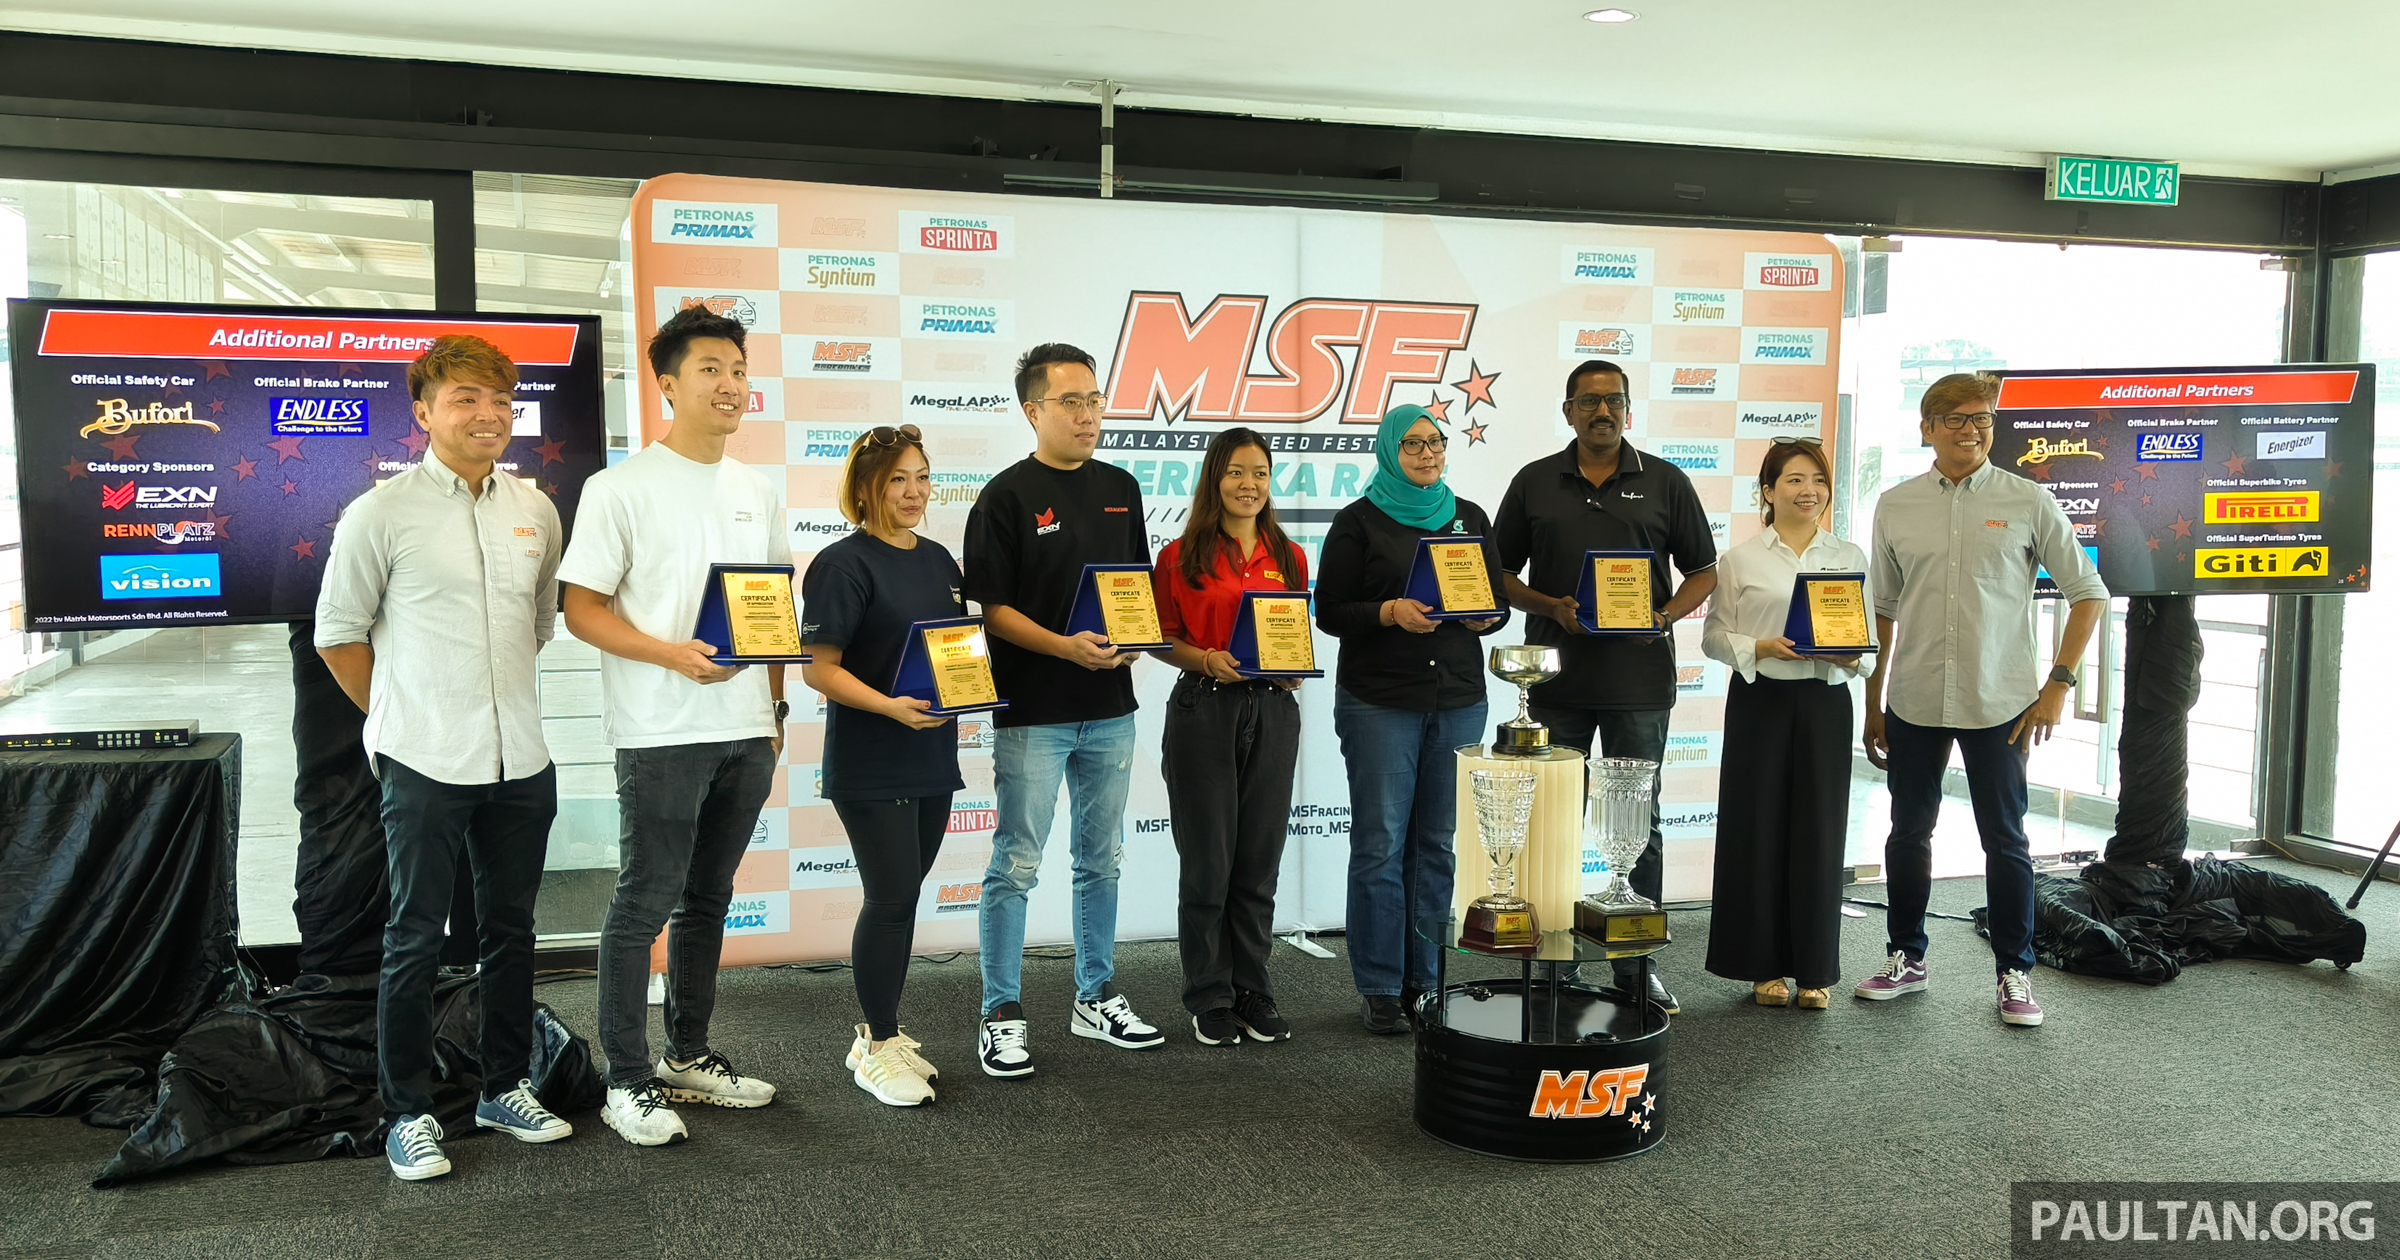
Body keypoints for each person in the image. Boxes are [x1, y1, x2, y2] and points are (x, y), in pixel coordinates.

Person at [315, 334, 573, 1181]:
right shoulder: (380, 513)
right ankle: (408, 1112)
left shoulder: (535, 510)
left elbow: (537, 624)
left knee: (511, 931)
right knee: (414, 937)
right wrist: (400, 715)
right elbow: (338, 635)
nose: (488, 414)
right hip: (423, 758)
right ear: (424, 412)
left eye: (501, 400)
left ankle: (504, 1086)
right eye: (466, 398)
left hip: (521, 757)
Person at [557, 306, 784, 1146]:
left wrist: (775, 711)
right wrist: (669, 656)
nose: (730, 385)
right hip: (659, 731)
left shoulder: (755, 490)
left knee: (708, 899)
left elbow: (769, 611)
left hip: (743, 728)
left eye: (738, 370)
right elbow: (581, 609)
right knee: (643, 902)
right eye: (710, 370)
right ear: (666, 384)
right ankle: (626, 1079)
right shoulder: (618, 488)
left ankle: (686, 1054)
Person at [1856, 372, 2107, 1027]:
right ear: (1927, 427)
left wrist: (2058, 685)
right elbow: (1882, 611)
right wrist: (1873, 702)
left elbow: (2089, 594)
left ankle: (2014, 973)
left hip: (2002, 701)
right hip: (1914, 697)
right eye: (1958, 418)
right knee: (1908, 833)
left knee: (2006, 839)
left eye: (1984, 418)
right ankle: (1906, 957)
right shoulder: (1896, 504)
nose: (1972, 430)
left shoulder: (2028, 500)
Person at [963, 342, 1166, 1077]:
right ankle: (1000, 1011)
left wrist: (1135, 638)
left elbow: (1134, 586)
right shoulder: (1005, 496)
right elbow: (990, 609)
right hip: (1034, 710)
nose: (1087, 415)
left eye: (1094, 400)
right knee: (1015, 863)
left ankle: (1095, 995)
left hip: (1110, 706)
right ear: (1033, 411)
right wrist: (1063, 648)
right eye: (1070, 402)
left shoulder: (1121, 487)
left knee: (1100, 860)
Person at [1492, 359, 1717, 1013]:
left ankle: (1633, 966)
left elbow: (1704, 570)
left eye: (1613, 400)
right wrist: (1550, 606)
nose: (1602, 412)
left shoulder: (1666, 482)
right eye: (1588, 402)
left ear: (1628, 409)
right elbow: (1497, 573)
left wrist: (1664, 616)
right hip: (1553, 683)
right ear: (1568, 412)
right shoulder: (1535, 481)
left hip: (1638, 683)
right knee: (1551, 824)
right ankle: (1553, 960)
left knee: (1638, 825)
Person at [1314, 404, 1507, 1034]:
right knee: (1380, 845)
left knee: (1437, 845)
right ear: (1389, 450)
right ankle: (1379, 986)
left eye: (1436, 442)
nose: (1427, 453)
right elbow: (1330, 610)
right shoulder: (1357, 521)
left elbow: (1498, 599)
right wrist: (1387, 612)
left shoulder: (1469, 516)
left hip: (1458, 699)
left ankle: (1426, 981)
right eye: (1413, 444)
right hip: (1380, 701)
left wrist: (1489, 616)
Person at [801, 425, 963, 1106]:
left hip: (932, 753)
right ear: (866, 488)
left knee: (905, 898)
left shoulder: (940, 560)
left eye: (922, 477)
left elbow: (952, 651)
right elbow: (818, 669)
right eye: (898, 479)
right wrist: (890, 707)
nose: (914, 492)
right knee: (891, 899)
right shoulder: (842, 564)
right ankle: (875, 1045)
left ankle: (884, 1034)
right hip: (873, 759)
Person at [1151, 428, 1309, 1046]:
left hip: (1273, 710)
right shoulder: (1180, 555)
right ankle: (1209, 995)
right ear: (1215, 479)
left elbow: (1291, 633)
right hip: (1205, 707)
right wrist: (1205, 659)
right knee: (1208, 863)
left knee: (1258, 862)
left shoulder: (1289, 555)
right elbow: (1160, 638)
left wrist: (1292, 665)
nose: (1249, 485)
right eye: (1236, 472)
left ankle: (1253, 989)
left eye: (1260, 473)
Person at [1699, 438, 1867, 1010]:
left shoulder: (1848, 555)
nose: (1808, 491)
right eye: (1794, 480)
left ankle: (1813, 971)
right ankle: (1762, 966)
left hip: (1825, 703)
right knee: (1757, 830)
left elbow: (1866, 647)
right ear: (1768, 492)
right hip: (1760, 701)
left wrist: (1852, 655)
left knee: (1820, 832)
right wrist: (1760, 647)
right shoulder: (1741, 559)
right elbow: (1714, 637)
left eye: (1817, 480)